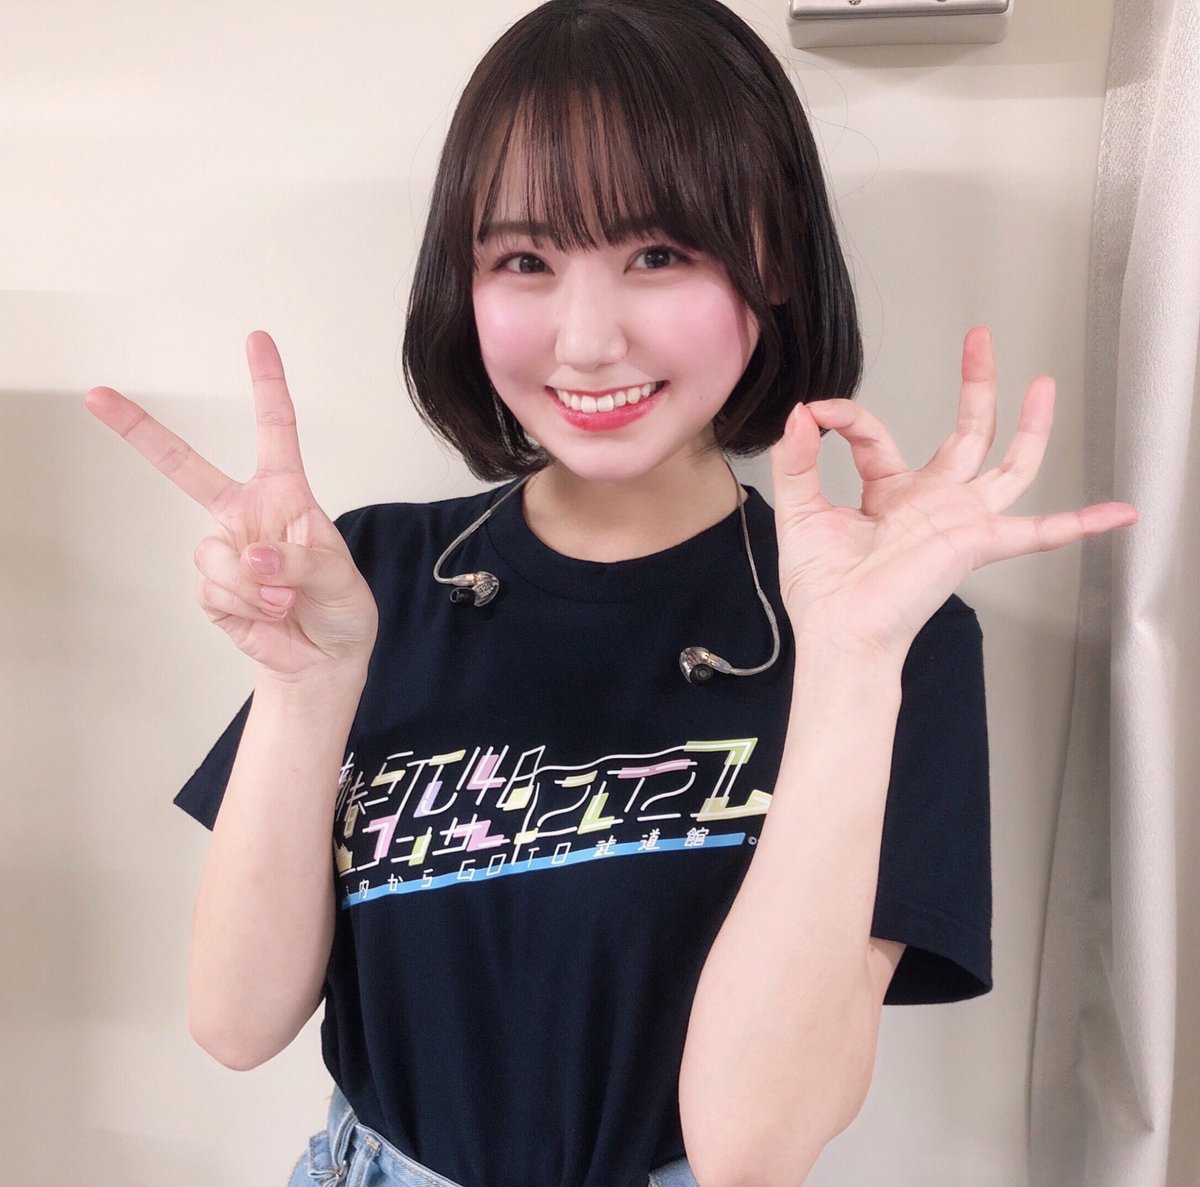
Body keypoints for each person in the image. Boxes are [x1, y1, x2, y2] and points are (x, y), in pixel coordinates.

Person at [83, 2, 1139, 1185]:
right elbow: (236, 1021)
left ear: (772, 260)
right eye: (524, 261)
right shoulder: (369, 580)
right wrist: (307, 685)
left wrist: (849, 665)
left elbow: (752, 1146)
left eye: (658, 254)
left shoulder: (895, 634)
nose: (586, 341)